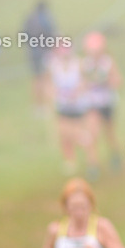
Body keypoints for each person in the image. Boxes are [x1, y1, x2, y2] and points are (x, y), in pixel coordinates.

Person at [81, 31, 122, 178]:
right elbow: (81, 84)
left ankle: (114, 154)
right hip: (92, 104)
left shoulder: (108, 63)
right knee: (92, 133)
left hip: (107, 103)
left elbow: (118, 81)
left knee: (109, 132)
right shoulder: (85, 65)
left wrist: (106, 81)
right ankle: (93, 164)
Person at [47, 42, 88, 175]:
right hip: (62, 104)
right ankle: (70, 161)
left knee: (75, 132)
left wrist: (76, 92)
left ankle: (87, 155)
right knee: (64, 134)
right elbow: (50, 85)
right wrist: (53, 95)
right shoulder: (54, 66)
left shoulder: (78, 64)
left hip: (77, 105)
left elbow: (85, 81)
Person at [21, 0, 57, 115]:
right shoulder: (45, 18)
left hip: (32, 52)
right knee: (46, 78)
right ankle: (47, 106)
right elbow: (51, 33)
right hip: (44, 52)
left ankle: (37, 106)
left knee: (36, 79)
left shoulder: (29, 18)